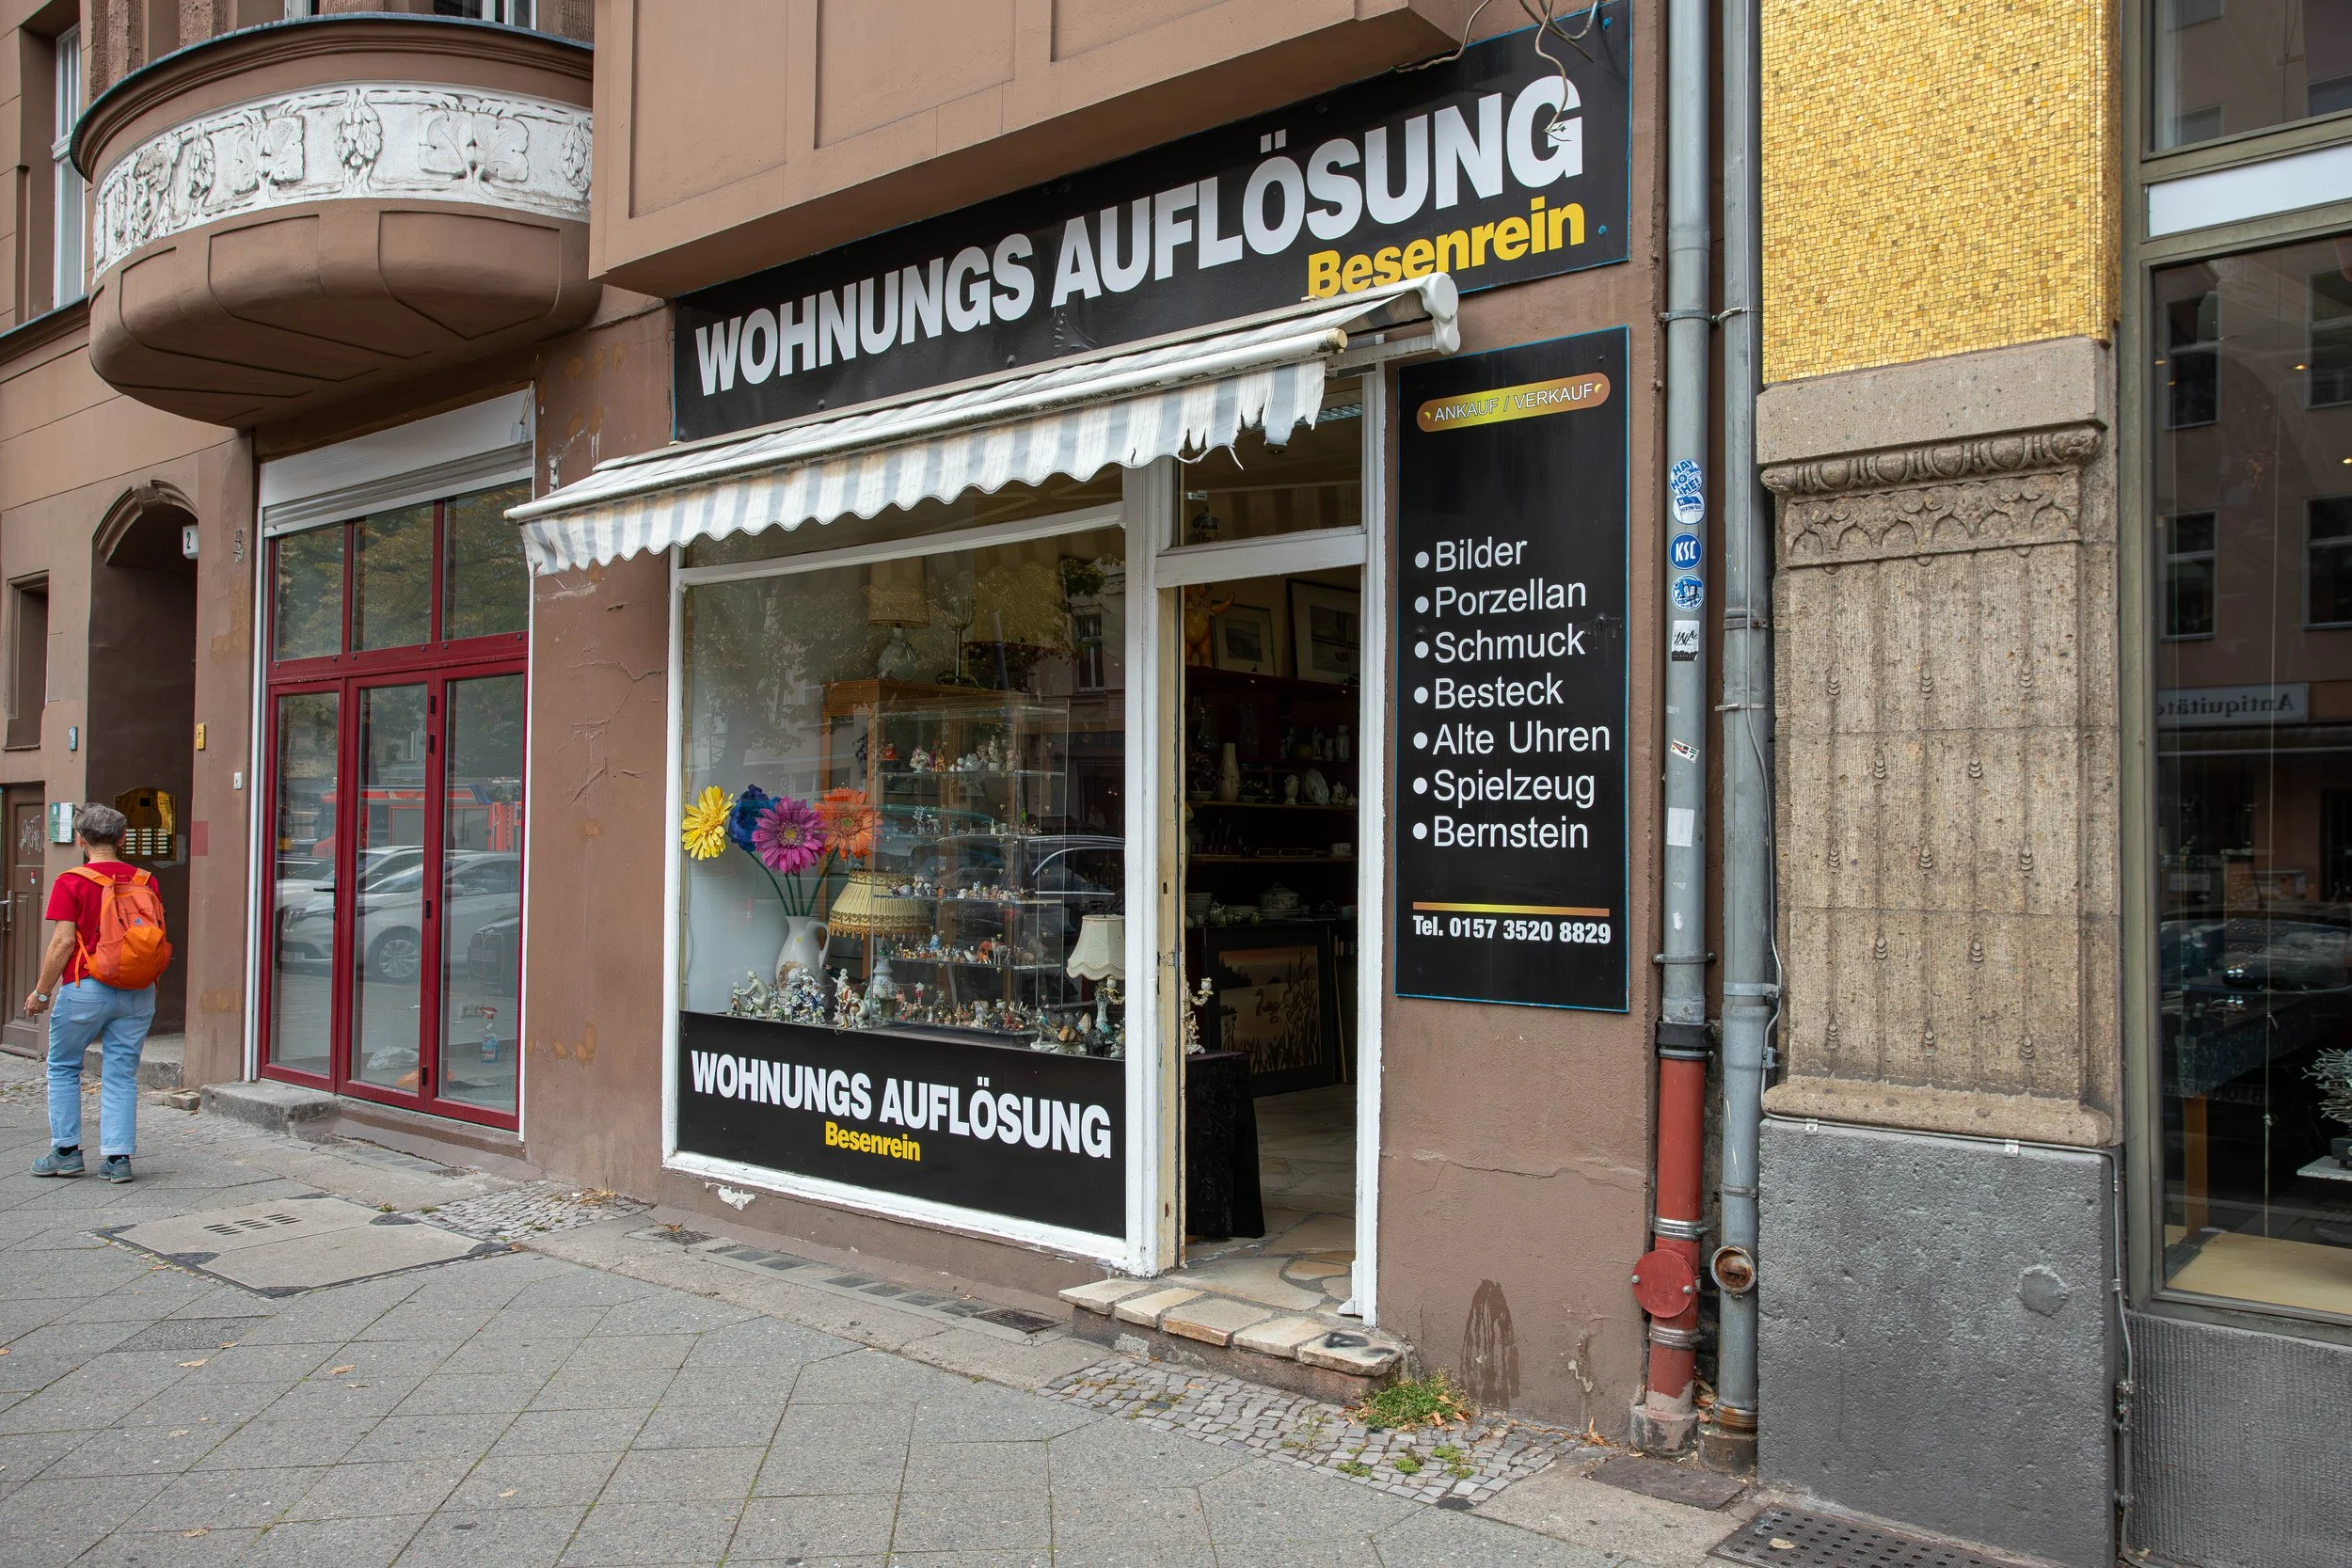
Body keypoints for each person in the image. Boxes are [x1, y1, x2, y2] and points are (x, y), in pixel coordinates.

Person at [24, 805, 160, 1182]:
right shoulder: (145, 879)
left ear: (81, 840)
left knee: (64, 1066)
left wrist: (41, 992)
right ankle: (118, 1160)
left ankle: (66, 1151)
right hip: (138, 990)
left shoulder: (72, 880)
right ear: (121, 839)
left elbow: (62, 943)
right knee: (121, 1073)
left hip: (86, 987)